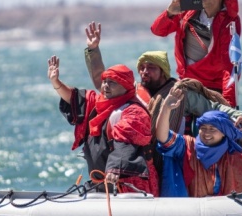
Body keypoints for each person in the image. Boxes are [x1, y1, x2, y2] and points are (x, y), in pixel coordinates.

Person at [83, 22, 242, 196]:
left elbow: (212, 106)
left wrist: (237, 115)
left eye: (151, 68)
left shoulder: (180, 93)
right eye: (142, 67)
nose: (145, 71)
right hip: (141, 159)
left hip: (171, 155)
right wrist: (93, 50)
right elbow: (102, 82)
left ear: (163, 72)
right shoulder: (133, 92)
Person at [48, 56, 159, 196]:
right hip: (101, 183)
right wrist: (55, 82)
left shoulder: (135, 112)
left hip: (128, 185)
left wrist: (114, 169)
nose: (105, 85)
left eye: (112, 82)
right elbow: (73, 98)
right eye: (105, 81)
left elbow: (125, 145)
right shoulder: (98, 103)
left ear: (125, 86)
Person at [155, 87, 242, 197]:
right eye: (203, 128)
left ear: (223, 133)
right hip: (189, 210)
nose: (207, 133)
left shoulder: (234, 157)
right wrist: (166, 108)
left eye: (213, 129)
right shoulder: (187, 145)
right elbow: (163, 138)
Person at [151, 0, 241, 108]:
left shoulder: (229, 22)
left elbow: (230, 66)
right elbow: (158, 31)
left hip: (212, 90)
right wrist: (169, 13)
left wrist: (227, 105)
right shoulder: (187, 12)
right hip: (185, 83)